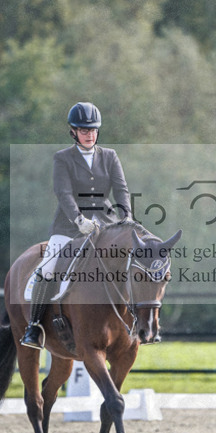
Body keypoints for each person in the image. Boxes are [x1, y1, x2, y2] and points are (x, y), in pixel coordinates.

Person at [21, 101, 132, 349]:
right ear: (73, 132)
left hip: (106, 224)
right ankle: (34, 326)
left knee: (130, 262)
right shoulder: (63, 158)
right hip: (69, 227)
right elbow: (63, 193)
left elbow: (121, 189)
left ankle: (137, 323)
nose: (89, 135)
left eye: (93, 130)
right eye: (84, 130)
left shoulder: (110, 156)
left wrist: (127, 217)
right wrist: (79, 219)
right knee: (48, 268)